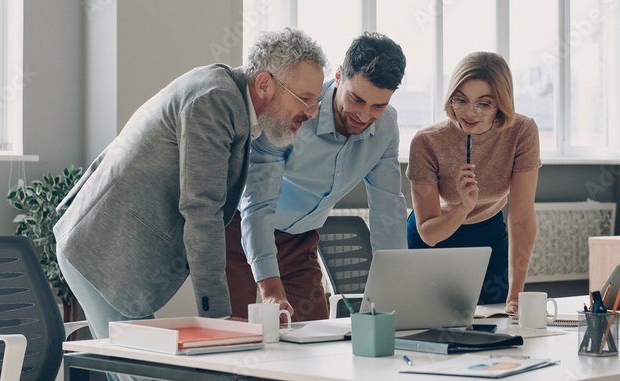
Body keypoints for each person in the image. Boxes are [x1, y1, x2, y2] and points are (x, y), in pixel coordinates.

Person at [53, 27, 330, 352]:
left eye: (316, 101)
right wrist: (219, 317)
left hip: (114, 255)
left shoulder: (231, 100)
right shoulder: (215, 101)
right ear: (265, 83)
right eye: (304, 100)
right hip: (102, 254)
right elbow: (203, 212)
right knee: (140, 370)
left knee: (140, 369)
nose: (311, 113)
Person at [225, 32, 408, 321]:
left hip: (299, 242)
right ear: (338, 76)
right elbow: (257, 205)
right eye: (357, 99)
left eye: (378, 106)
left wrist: (397, 287)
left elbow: (388, 208)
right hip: (240, 232)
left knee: (314, 344)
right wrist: (270, 287)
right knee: (234, 338)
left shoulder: (386, 128)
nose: (364, 115)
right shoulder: (289, 111)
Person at [405, 51, 541, 314]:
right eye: (461, 100)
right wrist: (462, 207)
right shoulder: (426, 142)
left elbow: (522, 219)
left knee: (498, 322)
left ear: (501, 103)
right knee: (434, 322)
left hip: (489, 234)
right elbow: (429, 234)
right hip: (436, 233)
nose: (469, 112)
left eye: (483, 103)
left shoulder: (522, 132)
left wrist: (516, 296)